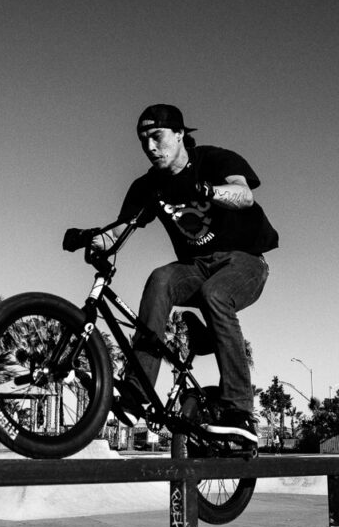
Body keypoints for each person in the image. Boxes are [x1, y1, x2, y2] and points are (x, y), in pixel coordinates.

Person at [94, 104, 278, 444]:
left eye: (157, 137)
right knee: (160, 279)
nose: (150, 147)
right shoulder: (147, 186)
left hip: (245, 262)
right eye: (143, 140)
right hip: (195, 267)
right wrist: (91, 237)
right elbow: (121, 229)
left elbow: (244, 195)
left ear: (179, 135)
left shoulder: (215, 160)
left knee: (216, 294)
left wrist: (208, 191)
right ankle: (138, 392)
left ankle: (240, 410)